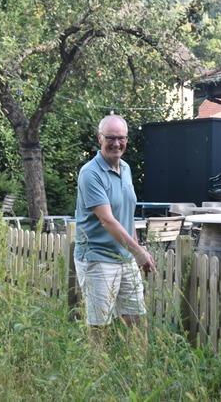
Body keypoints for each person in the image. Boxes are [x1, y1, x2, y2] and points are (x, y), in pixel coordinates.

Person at [74, 113, 155, 330]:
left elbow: (126, 216)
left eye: (121, 138)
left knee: (136, 320)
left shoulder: (126, 169)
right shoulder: (90, 173)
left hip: (125, 257)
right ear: (99, 138)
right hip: (97, 258)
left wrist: (138, 250)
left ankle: (137, 363)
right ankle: (95, 364)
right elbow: (108, 221)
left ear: (127, 139)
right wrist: (138, 252)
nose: (116, 143)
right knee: (99, 326)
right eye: (110, 138)